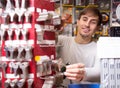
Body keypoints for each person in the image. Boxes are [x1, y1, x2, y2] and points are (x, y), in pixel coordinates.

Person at [57, 6, 102, 86]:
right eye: (84, 19)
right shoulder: (62, 41)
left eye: (93, 22)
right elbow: (44, 43)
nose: (87, 24)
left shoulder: (100, 47)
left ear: (97, 28)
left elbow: (99, 72)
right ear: (77, 22)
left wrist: (82, 74)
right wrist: (55, 27)